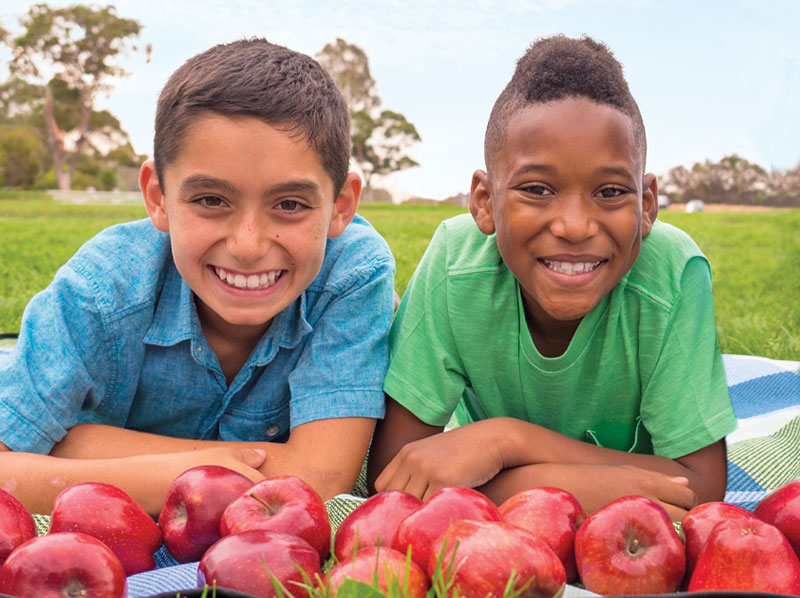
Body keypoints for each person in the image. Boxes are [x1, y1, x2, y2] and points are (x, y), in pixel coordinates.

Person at [0, 39, 395, 516]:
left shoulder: (352, 274)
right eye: (211, 200)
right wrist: (198, 469)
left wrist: (72, 446)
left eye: (289, 205)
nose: (248, 245)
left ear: (342, 206)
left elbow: (318, 479)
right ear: (157, 197)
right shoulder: (102, 289)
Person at [367, 34, 736, 521]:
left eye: (609, 191)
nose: (575, 226)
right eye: (537, 189)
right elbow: (395, 475)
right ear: (484, 201)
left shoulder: (671, 274)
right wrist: (608, 483)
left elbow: (702, 489)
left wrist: (506, 440)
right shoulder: (456, 264)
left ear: (647, 206)